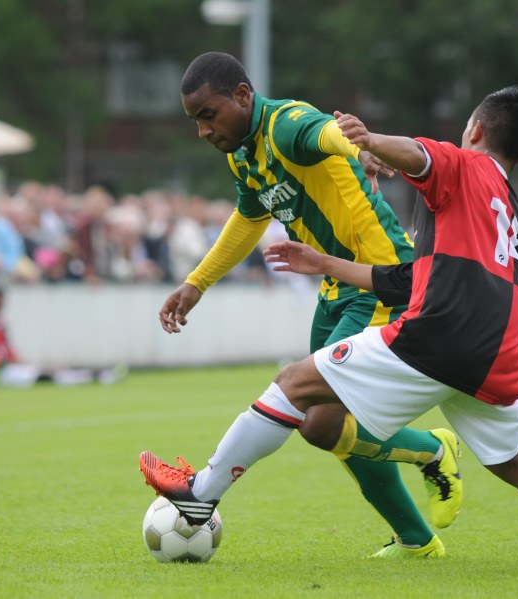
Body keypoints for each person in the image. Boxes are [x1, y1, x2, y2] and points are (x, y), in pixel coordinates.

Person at [141, 85, 518, 572]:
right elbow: (410, 280)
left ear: (475, 130)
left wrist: (368, 142)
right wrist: (326, 264)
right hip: (498, 353)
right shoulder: (504, 205)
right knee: (512, 460)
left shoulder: (463, 165)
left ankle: (200, 496)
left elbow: (417, 154)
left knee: (293, 385)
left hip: (437, 337)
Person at [150, 52, 460, 557]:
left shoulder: (287, 123)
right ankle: (417, 540)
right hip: (335, 288)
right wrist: (197, 283)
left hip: (379, 280)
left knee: (317, 418)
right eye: (195, 122)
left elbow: (325, 134)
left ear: (243, 96)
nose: (203, 131)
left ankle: (433, 449)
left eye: (209, 115)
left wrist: (361, 147)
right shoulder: (242, 153)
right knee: (328, 428)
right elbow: (249, 217)